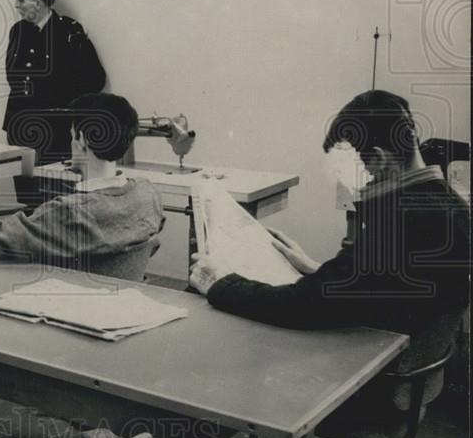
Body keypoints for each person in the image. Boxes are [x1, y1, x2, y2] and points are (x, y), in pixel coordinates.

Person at [190, 89, 470, 333]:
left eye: (360, 167)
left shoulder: (399, 221)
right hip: (409, 353)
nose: (360, 179)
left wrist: (221, 284)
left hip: (377, 369)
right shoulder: (449, 203)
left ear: (378, 157)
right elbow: (376, 287)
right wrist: (316, 269)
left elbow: (302, 306)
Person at [0, 92, 164, 277]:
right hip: (127, 302)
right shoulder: (148, 194)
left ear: (82, 139)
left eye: (72, 136)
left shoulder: (68, 212)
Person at [3, 0, 106, 206]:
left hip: (56, 132)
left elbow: (95, 79)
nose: (17, 4)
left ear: (38, 0)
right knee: (28, 199)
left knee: (57, 200)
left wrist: (66, 107)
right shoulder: (17, 32)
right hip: (22, 128)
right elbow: (12, 75)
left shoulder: (69, 31)